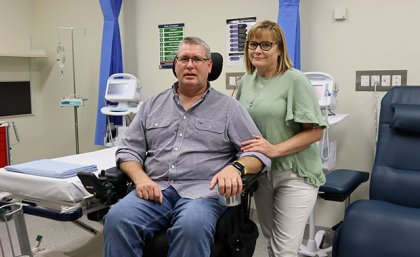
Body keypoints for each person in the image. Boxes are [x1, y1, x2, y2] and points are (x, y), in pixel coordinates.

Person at [103, 36, 270, 257]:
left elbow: (257, 152)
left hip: (203, 193)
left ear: (209, 66)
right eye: (184, 59)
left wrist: (236, 168)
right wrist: (140, 178)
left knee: (191, 227)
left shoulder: (229, 108)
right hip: (156, 188)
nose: (190, 65)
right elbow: (128, 150)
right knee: (117, 219)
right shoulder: (152, 104)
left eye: (197, 59)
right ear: (175, 65)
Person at [235, 20, 328, 257]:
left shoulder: (295, 79)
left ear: (279, 49)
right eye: (253, 44)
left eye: (266, 44)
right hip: (262, 173)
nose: (257, 50)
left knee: (284, 250)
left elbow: (315, 131)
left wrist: (274, 149)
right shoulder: (246, 81)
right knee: (272, 240)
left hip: (294, 173)